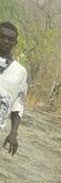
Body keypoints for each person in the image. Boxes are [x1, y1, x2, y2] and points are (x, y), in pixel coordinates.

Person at [0, 21, 28, 157]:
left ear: (15, 43)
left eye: (10, 39)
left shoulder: (20, 72)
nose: (5, 41)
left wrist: (13, 132)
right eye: (2, 36)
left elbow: (18, 105)